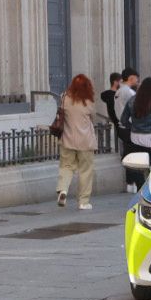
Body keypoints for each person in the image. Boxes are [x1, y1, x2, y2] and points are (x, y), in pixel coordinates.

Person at [55, 75, 99, 211]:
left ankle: (63, 190)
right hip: (85, 141)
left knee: (66, 167)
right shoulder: (88, 102)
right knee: (85, 171)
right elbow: (94, 118)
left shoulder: (64, 98)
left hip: (67, 140)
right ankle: (83, 201)